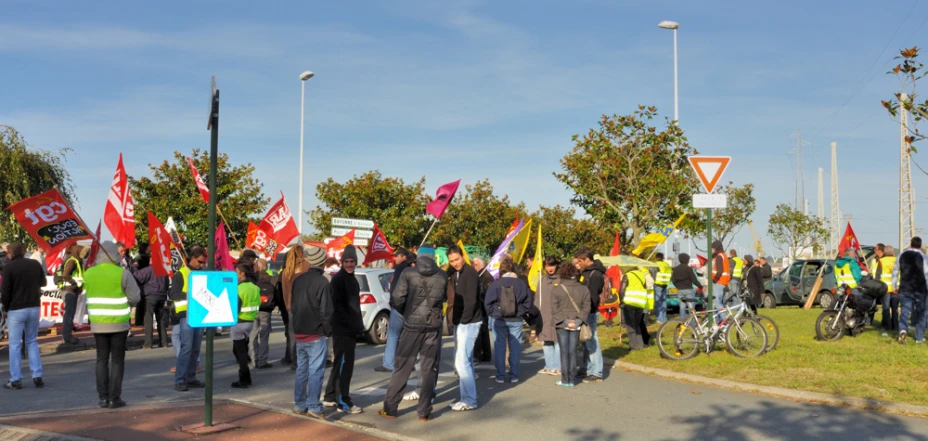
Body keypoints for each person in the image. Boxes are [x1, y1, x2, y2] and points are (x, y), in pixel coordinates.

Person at [379, 245, 447, 422]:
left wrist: (407, 311)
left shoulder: (409, 273)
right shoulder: (442, 275)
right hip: (432, 327)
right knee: (428, 369)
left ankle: (391, 409)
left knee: (402, 367)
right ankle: (424, 412)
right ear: (433, 258)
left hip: (411, 326)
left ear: (419, 256)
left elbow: (397, 298)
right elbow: (443, 299)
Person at [82, 241, 141, 408]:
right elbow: (135, 297)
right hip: (119, 324)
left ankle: (103, 398)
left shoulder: (89, 273)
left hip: (98, 323)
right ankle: (115, 398)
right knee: (117, 360)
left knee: (101, 360)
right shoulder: (122, 273)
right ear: (113, 254)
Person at [290, 247, 332, 420]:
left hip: (300, 330)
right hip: (316, 333)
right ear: (323, 262)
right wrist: (328, 331)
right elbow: (326, 310)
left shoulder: (298, 280)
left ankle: (300, 404)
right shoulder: (322, 282)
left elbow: (293, 305)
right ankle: (314, 405)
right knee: (315, 370)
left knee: (302, 369)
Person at [324, 245, 364, 414]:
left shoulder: (351, 278)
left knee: (339, 363)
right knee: (344, 366)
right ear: (341, 262)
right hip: (343, 329)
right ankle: (343, 401)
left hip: (349, 328)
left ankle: (330, 396)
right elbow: (337, 306)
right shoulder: (339, 279)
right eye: (346, 261)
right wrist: (348, 323)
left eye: (352, 261)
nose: (349, 264)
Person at [1, 242, 46, 390]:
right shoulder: (34, 264)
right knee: (32, 341)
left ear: (10, 254)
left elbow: (5, 292)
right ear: (23, 251)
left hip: (16, 309)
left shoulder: (9, 268)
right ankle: (37, 375)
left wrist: (6, 308)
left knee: (14, 345)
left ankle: (16, 379)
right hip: (33, 306)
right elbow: (43, 282)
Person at [484, 257, 531, 383]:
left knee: (500, 347)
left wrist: (494, 313)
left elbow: (487, 303)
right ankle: (514, 375)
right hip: (516, 319)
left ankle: (500, 376)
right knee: (515, 347)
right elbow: (528, 302)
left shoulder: (495, 284)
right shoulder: (521, 283)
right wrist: (521, 313)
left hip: (499, 319)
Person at [447, 246, 483, 410]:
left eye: (457, 259)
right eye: (451, 261)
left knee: (461, 362)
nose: (455, 263)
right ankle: (466, 398)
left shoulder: (470, 273)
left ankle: (469, 400)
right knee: (465, 361)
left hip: (469, 323)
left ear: (463, 256)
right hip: (461, 322)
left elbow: (471, 301)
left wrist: (463, 321)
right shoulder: (456, 273)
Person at [171, 246, 208, 392]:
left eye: (203, 262)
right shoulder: (181, 274)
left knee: (195, 348)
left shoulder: (203, 273)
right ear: (192, 258)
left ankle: (191, 378)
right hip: (186, 315)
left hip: (199, 314)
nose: (202, 264)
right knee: (186, 347)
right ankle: (180, 379)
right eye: (199, 262)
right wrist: (192, 295)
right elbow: (174, 294)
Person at [550, 262, 591, 387]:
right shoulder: (584, 289)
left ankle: (565, 379)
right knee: (572, 350)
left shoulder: (557, 288)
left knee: (564, 350)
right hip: (577, 322)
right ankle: (572, 379)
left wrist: (565, 320)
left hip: (561, 323)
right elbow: (587, 306)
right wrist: (578, 320)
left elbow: (554, 307)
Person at [376, 247, 411, 373]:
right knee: (407, 337)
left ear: (403, 257)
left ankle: (389, 363)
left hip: (399, 307)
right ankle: (408, 363)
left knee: (393, 335)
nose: (395, 258)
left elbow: (396, 289)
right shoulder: (410, 269)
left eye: (397, 256)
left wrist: (394, 303)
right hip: (408, 308)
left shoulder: (401, 269)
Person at [573, 248, 605, 383]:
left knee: (592, 340)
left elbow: (592, 296)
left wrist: (585, 312)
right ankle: (587, 368)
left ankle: (597, 371)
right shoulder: (586, 273)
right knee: (586, 341)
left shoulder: (595, 274)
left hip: (590, 312)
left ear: (587, 259)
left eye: (580, 261)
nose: (578, 264)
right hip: (585, 311)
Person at [230, 262, 261, 388]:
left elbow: (235, 308)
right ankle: (246, 377)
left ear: (242, 273)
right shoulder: (255, 287)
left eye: (236, 272)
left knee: (240, 352)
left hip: (239, 322)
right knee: (242, 349)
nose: (235, 274)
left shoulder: (238, 289)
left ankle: (244, 378)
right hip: (250, 322)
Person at [132, 249, 170, 349]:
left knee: (148, 320)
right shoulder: (164, 270)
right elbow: (166, 284)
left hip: (150, 297)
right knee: (160, 320)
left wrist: (134, 266)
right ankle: (164, 342)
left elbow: (137, 276)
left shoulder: (149, 269)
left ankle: (148, 344)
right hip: (161, 296)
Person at [893, 237, 928, 344]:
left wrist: (895, 286)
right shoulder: (923, 257)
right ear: (920, 245)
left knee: (905, 311)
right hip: (920, 289)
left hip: (905, 287)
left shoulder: (901, 255)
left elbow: (895, 272)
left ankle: (903, 330)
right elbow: (926, 274)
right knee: (922, 312)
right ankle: (919, 337)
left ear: (911, 244)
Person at [281, 245, 310, 369]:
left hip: (291, 306)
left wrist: (287, 305)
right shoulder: (306, 266)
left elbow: (284, 291)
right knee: (306, 334)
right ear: (301, 253)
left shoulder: (286, 270)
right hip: (305, 304)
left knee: (293, 334)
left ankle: (295, 361)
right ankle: (304, 360)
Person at [535, 256, 562, 376]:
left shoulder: (561, 279)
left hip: (558, 315)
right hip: (544, 315)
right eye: (547, 265)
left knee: (557, 341)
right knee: (547, 341)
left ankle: (558, 366)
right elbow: (537, 298)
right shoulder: (542, 280)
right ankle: (549, 366)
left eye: (552, 265)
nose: (550, 268)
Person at [56, 243, 86, 345]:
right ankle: (67, 337)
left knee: (70, 313)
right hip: (69, 290)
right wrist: (75, 283)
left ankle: (67, 336)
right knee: (69, 314)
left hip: (72, 290)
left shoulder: (75, 260)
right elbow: (65, 275)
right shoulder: (72, 261)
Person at [620, 265, 652, 350]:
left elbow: (621, 290)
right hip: (640, 302)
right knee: (637, 324)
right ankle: (640, 344)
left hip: (629, 302)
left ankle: (633, 345)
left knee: (630, 325)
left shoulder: (627, 275)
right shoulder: (642, 275)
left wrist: (621, 302)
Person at [251, 258, 276, 369]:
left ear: (258, 267)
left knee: (253, 335)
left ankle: (254, 359)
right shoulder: (271, 279)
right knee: (264, 335)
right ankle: (262, 360)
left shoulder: (252, 279)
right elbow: (277, 294)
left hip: (252, 309)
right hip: (266, 310)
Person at [472, 256, 494, 364]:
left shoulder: (485, 276)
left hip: (482, 306)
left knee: (479, 332)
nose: (473, 267)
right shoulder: (481, 275)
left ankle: (479, 355)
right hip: (482, 306)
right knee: (483, 332)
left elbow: (486, 292)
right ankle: (485, 354)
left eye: (475, 265)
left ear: (481, 265)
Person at [875, 246, 900, 336]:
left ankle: (887, 327)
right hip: (895, 289)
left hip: (885, 288)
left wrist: (877, 287)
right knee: (895, 308)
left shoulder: (881, 261)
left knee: (885, 308)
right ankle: (895, 326)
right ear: (893, 252)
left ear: (885, 252)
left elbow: (877, 276)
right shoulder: (898, 260)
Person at [671, 253, 702, 320]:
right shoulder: (689, 269)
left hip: (680, 290)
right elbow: (694, 280)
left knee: (682, 307)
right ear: (687, 260)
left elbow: (673, 280)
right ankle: (692, 323)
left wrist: (678, 286)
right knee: (691, 307)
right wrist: (700, 286)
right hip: (689, 290)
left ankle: (683, 322)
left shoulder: (676, 269)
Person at [710, 241, 732, 312]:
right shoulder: (724, 255)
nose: (712, 250)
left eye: (713, 248)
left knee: (717, 302)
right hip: (724, 282)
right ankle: (721, 322)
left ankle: (723, 320)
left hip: (719, 282)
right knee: (720, 302)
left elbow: (720, 270)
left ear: (716, 248)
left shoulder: (719, 256)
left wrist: (714, 280)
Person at [653, 253, 672, 323]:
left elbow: (653, 274)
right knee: (664, 301)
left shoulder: (656, 264)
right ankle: (664, 318)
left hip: (658, 284)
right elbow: (670, 275)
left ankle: (659, 319)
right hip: (665, 284)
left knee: (658, 302)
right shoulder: (667, 265)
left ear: (657, 257)